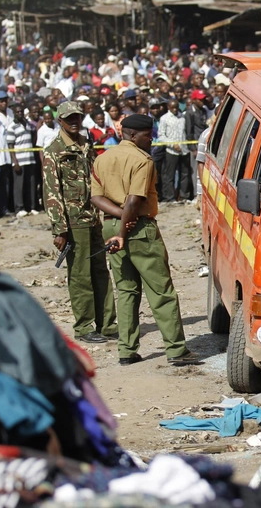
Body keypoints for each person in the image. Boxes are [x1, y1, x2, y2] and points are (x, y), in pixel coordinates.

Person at [89, 113, 198, 366]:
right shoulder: (142, 160)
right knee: (161, 290)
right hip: (137, 229)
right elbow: (133, 201)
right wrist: (124, 229)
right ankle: (176, 350)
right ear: (132, 135)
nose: (151, 140)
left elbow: (96, 198)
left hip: (111, 225)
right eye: (148, 136)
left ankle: (127, 350)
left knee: (126, 290)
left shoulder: (102, 159)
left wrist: (118, 222)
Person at [42, 101, 117, 343]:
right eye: (69, 118)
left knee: (100, 271)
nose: (74, 121)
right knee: (80, 275)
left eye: (77, 117)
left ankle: (107, 324)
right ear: (60, 121)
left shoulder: (86, 144)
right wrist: (59, 229)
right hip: (74, 222)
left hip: (93, 217)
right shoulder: (54, 150)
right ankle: (84, 327)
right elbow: (51, 192)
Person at [5, 100, 37, 216]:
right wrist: (15, 162)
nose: (20, 114)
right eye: (17, 112)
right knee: (19, 186)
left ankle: (31, 207)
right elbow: (10, 146)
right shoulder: (11, 127)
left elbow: (34, 135)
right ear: (14, 113)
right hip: (19, 161)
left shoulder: (27, 124)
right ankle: (19, 208)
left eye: (21, 112)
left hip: (30, 159)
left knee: (30, 184)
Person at [159, 99, 192, 201]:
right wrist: (172, 144)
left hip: (184, 150)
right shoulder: (164, 118)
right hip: (171, 151)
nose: (175, 109)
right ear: (168, 107)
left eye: (176, 107)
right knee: (170, 176)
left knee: (185, 174)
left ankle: (184, 196)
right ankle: (170, 197)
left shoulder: (182, 117)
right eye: (172, 107)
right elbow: (161, 136)